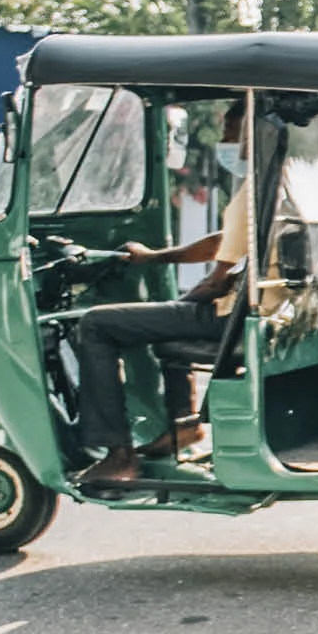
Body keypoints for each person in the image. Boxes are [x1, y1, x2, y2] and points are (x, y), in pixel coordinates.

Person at [78, 97, 250, 485]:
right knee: (168, 319)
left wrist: (180, 305)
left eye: (230, 132)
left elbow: (216, 279)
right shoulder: (279, 184)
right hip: (252, 313)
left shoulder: (253, 194)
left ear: (251, 136)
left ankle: (118, 454)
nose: (224, 141)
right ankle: (183, 424)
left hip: (231, 318)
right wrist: (155, 258)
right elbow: (222, 243)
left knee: (95, 325)